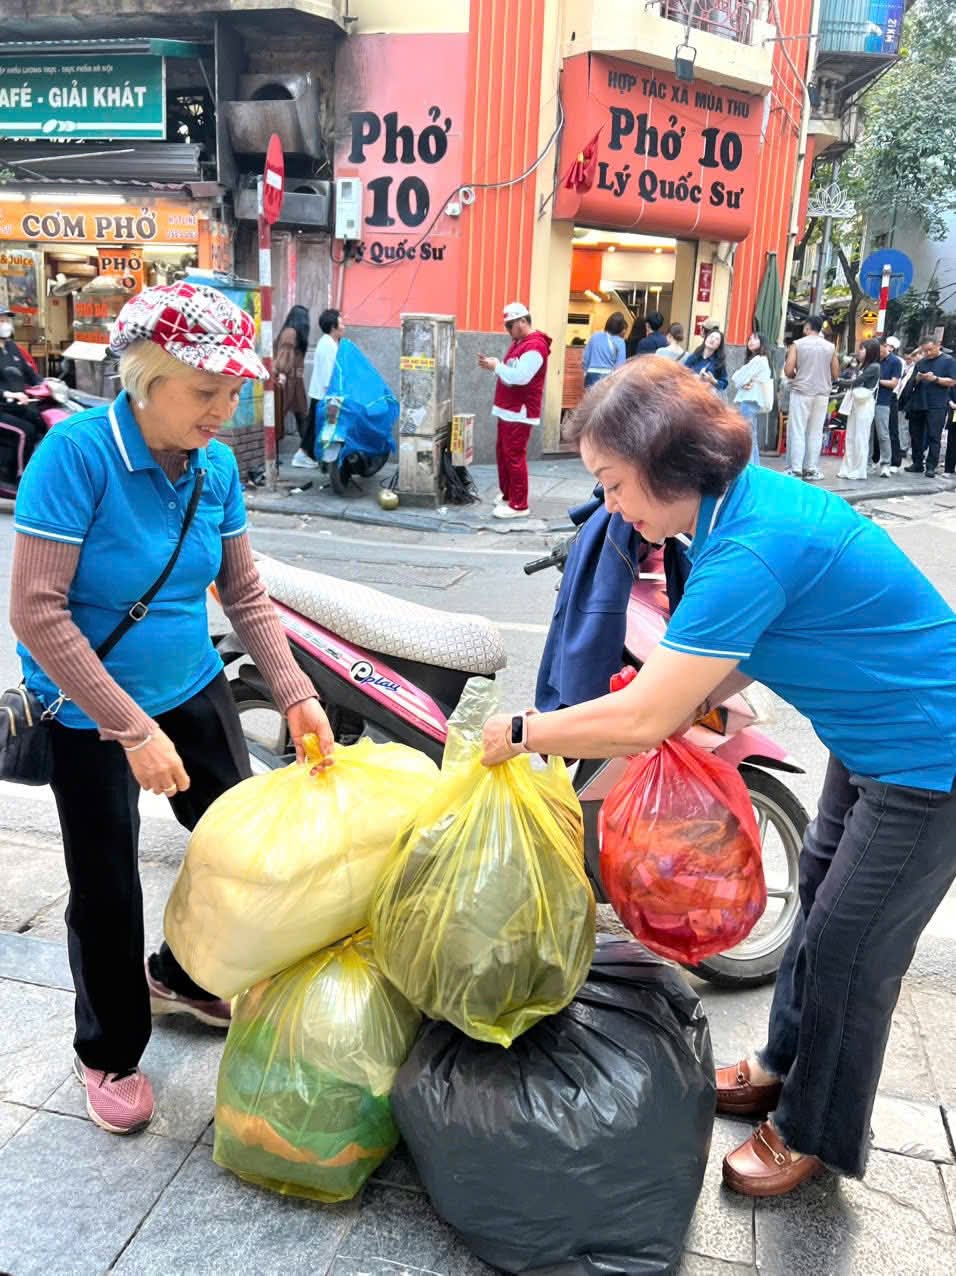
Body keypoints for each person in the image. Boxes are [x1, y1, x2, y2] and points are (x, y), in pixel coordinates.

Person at [480, 355, 956, 1200]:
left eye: (614, 483)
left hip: (930, 755)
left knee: (852, 948)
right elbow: (738, 654)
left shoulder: (752, 544)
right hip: (870, 736)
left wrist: (522, 731)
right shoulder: (734, 515)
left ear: (669, 466)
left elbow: (641, 722)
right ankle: (780, 1066)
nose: (612, 506)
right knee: (818, 895)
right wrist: (686, 694)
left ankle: (815, 1134)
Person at [8, 281, 335, 1137]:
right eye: (206, 392)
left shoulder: (216, 466)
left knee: (245, 846)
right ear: (146, 377)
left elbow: (246, 594)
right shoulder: (73, 457)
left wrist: (296, 693)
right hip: (87, 710)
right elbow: (37, 611)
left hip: (192, 684)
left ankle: (185, 973)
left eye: (235, 392)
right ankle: (108, 1049)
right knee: (108, 886)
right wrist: (129, 729)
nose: (224, 411)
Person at [478, 301, 552, 521]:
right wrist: (496, 366)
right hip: (508, 409)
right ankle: (509, 494)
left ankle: (519, 504)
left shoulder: (535, 346)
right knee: (504, 453)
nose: (508, 330)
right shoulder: (520, 342)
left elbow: (521, 376)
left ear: (522, 321)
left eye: (510, 325)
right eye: (506, 326)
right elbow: (512, 370)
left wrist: (496, 366)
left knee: (513, 456)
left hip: (519, 411)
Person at [783, 315, 840, 482]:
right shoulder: (830, 347)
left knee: (798, 429)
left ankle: (796, 469)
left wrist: (798, 374)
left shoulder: (798, 344)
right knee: (815, 431)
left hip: (801, 391)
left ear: (807, 327)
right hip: (822, 394)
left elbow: (788, 371)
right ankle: (811, 468)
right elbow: (836, 373)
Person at [299, 307, 346, 470]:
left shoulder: (330, 342)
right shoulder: (327, 344)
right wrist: (331, 394)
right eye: (341, 322)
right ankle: (302, 455)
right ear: (333, 326)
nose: (344, 326)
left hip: (321, 392)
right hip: (323, 393)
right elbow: (327, 373)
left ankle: (305, 454)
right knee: (314, 425)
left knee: (314, 424)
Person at [0, 307, 45, 472]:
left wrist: (45, 384)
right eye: (1, 321)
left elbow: (30, 374)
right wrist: (7, 393)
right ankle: (20, 475)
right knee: (25, 431)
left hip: (16, 407)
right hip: (2, 408)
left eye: (6, 320)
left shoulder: (12, 347)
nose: (5, 324)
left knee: (41, 423)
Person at [904, 336, 956, 478]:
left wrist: (936, 379)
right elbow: (912, 381)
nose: (927, 353)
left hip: (937, 404)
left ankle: (931, 465)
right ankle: (917, 462)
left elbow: (952, 382)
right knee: (915, 434)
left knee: (934, 435)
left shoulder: (948, 361)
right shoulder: (921, 362)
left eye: (930, 350)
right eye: (925, 351)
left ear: (938, 345)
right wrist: (918, 378)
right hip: (919, 402)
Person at [835, 338, 881, 481]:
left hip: (864, 405)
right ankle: (847, 468)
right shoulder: (862, 366)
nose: (859, 352)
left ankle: (858, 470)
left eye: (862, 349)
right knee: (851, 437)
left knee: (860, 438)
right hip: (856, 403)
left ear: (870, 351)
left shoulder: (874, 367)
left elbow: (856, 382)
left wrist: (837, 380)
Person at [730, 332, 773, 465]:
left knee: (747, 435)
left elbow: (737, 377)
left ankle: (749, 465)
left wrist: (742, 381)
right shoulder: (761, 360)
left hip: (750, 400)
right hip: (753, 401)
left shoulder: (759, 360)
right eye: (749, 339)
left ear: (762, 342)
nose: (751, 341)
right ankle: (754, 466)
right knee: (751, 434)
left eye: (755, 339)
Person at [274, 304, 310, 447]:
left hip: (295, 381)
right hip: (287, 380)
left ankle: (307, 450)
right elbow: (283, 358)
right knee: (279, 414)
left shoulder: (294, 333)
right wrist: (282, 374)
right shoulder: (290, 333)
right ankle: (272, 452)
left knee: (301, 414)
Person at [873, 336, 903, 475]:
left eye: (880, 350)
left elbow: (893, 383)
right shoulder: (874, 359)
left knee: (884, 433)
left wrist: (877, 381)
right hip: (870, 399)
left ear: (886, 346)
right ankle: (870, 461)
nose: (879, 353)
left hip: (885, 400)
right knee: (869, 433)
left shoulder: (895, 362)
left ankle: (886, 462)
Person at [581, 313, 626, 389]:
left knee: (590, 400)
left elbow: (585, 357)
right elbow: (620, 366)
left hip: (591, 375)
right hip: (609, 377)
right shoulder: (620, 342)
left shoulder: (595, 336)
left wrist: (586, 372)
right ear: (621, 328)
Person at [882, 335, 906, 469]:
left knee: (892, 429)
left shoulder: (898, 361)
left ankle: (895, 461)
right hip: (880, 395)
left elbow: (895, 382)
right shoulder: (880, 359)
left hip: (892, 396)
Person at [681, 328, 728, 394]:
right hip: (690, 394)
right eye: (711, 336)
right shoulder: (694, 357)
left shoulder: (719, 362)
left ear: (719, 345)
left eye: (717, 339)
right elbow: (682, 374)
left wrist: (713, 381)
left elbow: (724, 384)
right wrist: (695, 377)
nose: (712, 339)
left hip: (706, 398)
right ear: (706, 338)